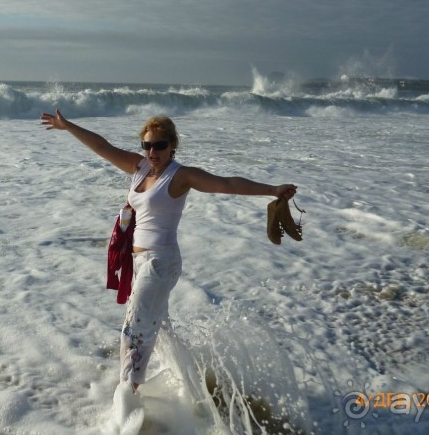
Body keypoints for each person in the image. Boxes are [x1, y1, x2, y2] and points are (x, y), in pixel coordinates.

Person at [40, 109, 297, 392]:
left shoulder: (181, 176)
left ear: (173, 145)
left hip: (161, 262)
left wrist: (273, 189)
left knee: (135, 329)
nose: (153, 151)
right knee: (158, 331)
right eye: (147, 145)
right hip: (140, 262)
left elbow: (227, 183)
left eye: (160, 145)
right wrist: (68, 126)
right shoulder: (139, 168)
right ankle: (190, 384)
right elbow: (102, 146)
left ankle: (127, 395)